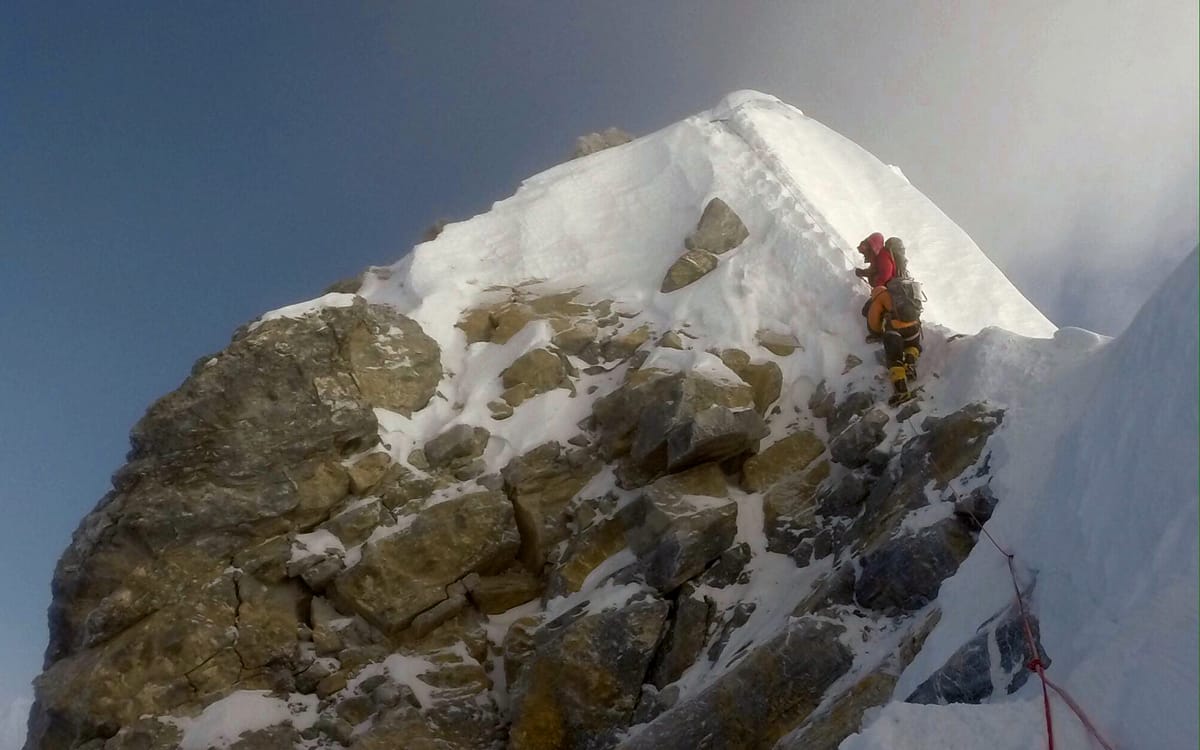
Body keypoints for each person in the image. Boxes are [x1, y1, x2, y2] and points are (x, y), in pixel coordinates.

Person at [865, 279, 923, 404]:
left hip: (895, 331)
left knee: (894, 359)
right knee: (912, 345)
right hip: (914, 328)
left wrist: (877, 333)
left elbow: (873, 321)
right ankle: (910, 363)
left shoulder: (879, 298)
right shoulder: (903, 295)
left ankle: (901, 391)